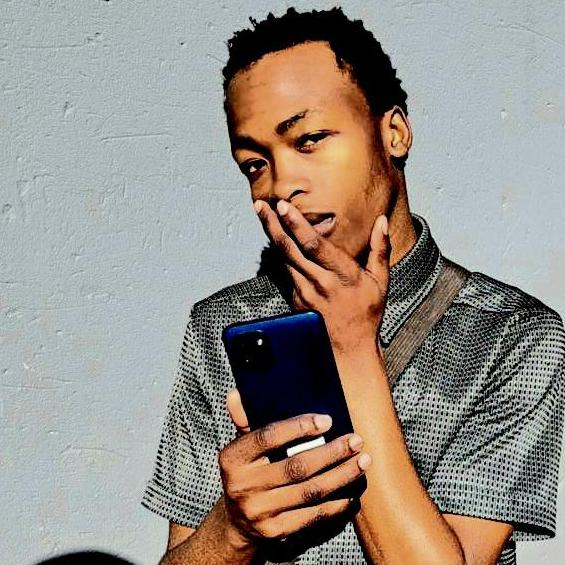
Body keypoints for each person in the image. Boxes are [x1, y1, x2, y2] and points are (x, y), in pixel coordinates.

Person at [142, 7, 565, 564]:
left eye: (309, 139)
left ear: (394, 133)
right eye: (254, 163)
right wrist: (233, 529)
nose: (281, 185)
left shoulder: (511, 336)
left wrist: (348, 347)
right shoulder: (224, 326)